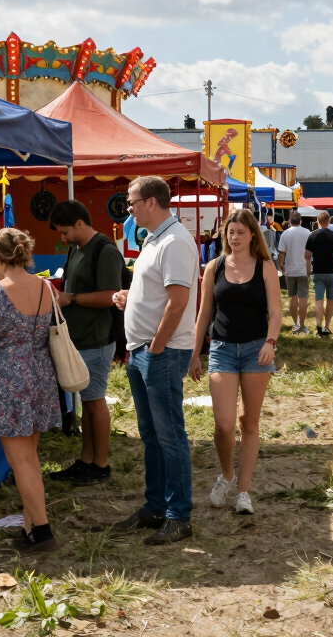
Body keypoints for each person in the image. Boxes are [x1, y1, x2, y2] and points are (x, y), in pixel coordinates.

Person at [112, 176, 198, 544]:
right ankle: (156, 507)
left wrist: (157, 347)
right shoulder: (157, 238)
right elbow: (161, 293)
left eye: (131, 202)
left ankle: (178, 515)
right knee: (152, 436)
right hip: (143, 350)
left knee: (169, 435)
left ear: (151, 202)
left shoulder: (175, 241)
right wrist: (130, 297)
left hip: (158, 352)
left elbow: (179, 302)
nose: (127, 208)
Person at [0, 228, 61, 552]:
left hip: (10, 379)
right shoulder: (45, 287)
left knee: (21, 461)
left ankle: (42, 531)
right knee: (30, 457)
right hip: (40, 375)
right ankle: (29, 526)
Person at [189, 209, 282, 515]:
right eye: (231, 232)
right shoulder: (214, 267)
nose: (235, 237)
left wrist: (270, 342)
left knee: (248, 423)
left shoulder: (265, 266)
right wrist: (194, 353)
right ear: (224, 235)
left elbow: (276, 311)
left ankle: (243, 490)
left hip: (257, 350)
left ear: (253, 234)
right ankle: (226, 474)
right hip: (222, 350)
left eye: (241, 232)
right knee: (224, 424)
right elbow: (204, 313)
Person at [46, 200, 125, 485]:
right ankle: (86, 460)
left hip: (96, 338)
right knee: (86, 404)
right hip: (77, 338)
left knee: (94, 403)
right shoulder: (75, 248)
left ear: (80, 223)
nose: (62, 237)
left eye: (65, 231)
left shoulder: (105, 251)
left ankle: (100, 465)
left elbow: (112, 296)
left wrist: (72, 299)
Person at [306, 210, 333, 336]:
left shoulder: (312, 235)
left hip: (318, 272)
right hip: (332, 273)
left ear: (318, 221)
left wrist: (308, 271)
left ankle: (318, 325)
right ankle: (327, 326)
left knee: (318, 300)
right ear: (328, 221)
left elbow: (307, 256)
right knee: (331, 300)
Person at [277, 211, 311, 334]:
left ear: (290, 221)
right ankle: (302, 325)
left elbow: (281, 253)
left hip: (290, 270)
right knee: (303, 298)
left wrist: (281, 266)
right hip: (303, 269)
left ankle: (295, 323)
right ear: (300, 220)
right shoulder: (307, 232)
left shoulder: (285, 234)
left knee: (292, 297)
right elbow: (310, 252)